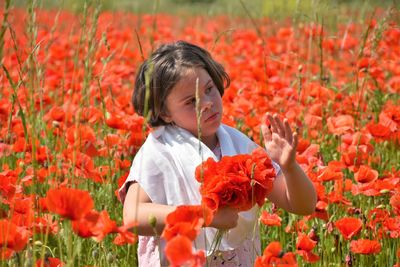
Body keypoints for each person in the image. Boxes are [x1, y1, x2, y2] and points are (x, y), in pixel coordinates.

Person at [119, 40, 317, 266]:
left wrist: (289, 167)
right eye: (191, 101)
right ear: (164, 113)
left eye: (209, 89)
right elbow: (133, 215)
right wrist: (205, 215)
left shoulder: (239, 145)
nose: (207, 103)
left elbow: (303, 205)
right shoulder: (159, 151)